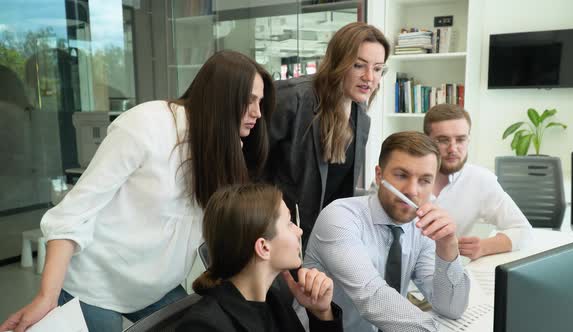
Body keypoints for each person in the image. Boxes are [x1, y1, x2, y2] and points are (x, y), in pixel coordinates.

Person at [0, 50, 275, 332]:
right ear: (222, 96)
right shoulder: (146, 126)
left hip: (156, 288)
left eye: (260, 102)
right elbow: (72, 215)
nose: (257, 113)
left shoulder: (226, 147)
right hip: (97, 284)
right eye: (249, 100)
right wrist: (47, 297)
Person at [303, 131, 470, 332]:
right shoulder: (340, 217)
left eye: (425, 180)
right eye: (401, 175)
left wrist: (448, 246)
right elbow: (371, 297)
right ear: (379, 175)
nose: (412, 191)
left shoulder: (422, 223)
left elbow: (451, 308)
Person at [266, 22, 391, 249]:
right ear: (338, 63)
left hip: (321, 238)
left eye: (377, 68)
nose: (369, 77)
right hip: (273, 235)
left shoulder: (360, 115)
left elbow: (340, 190)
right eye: (358, 65)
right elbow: (247, 167)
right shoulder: (291, 98)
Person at [176, 183, 343, 332]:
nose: (299, 231)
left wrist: (323, 313)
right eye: (289, 223)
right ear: (263, 247)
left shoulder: (275, 303)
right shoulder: (204, 326)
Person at [423, 104, 532, 260]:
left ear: (468, 140)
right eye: (443, 140)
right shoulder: (403, 175)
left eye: (460, 139)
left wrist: (483, 247)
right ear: (427, 140)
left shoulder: (480, 180)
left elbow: (523, 230)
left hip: (446, 271)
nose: (453, 148)